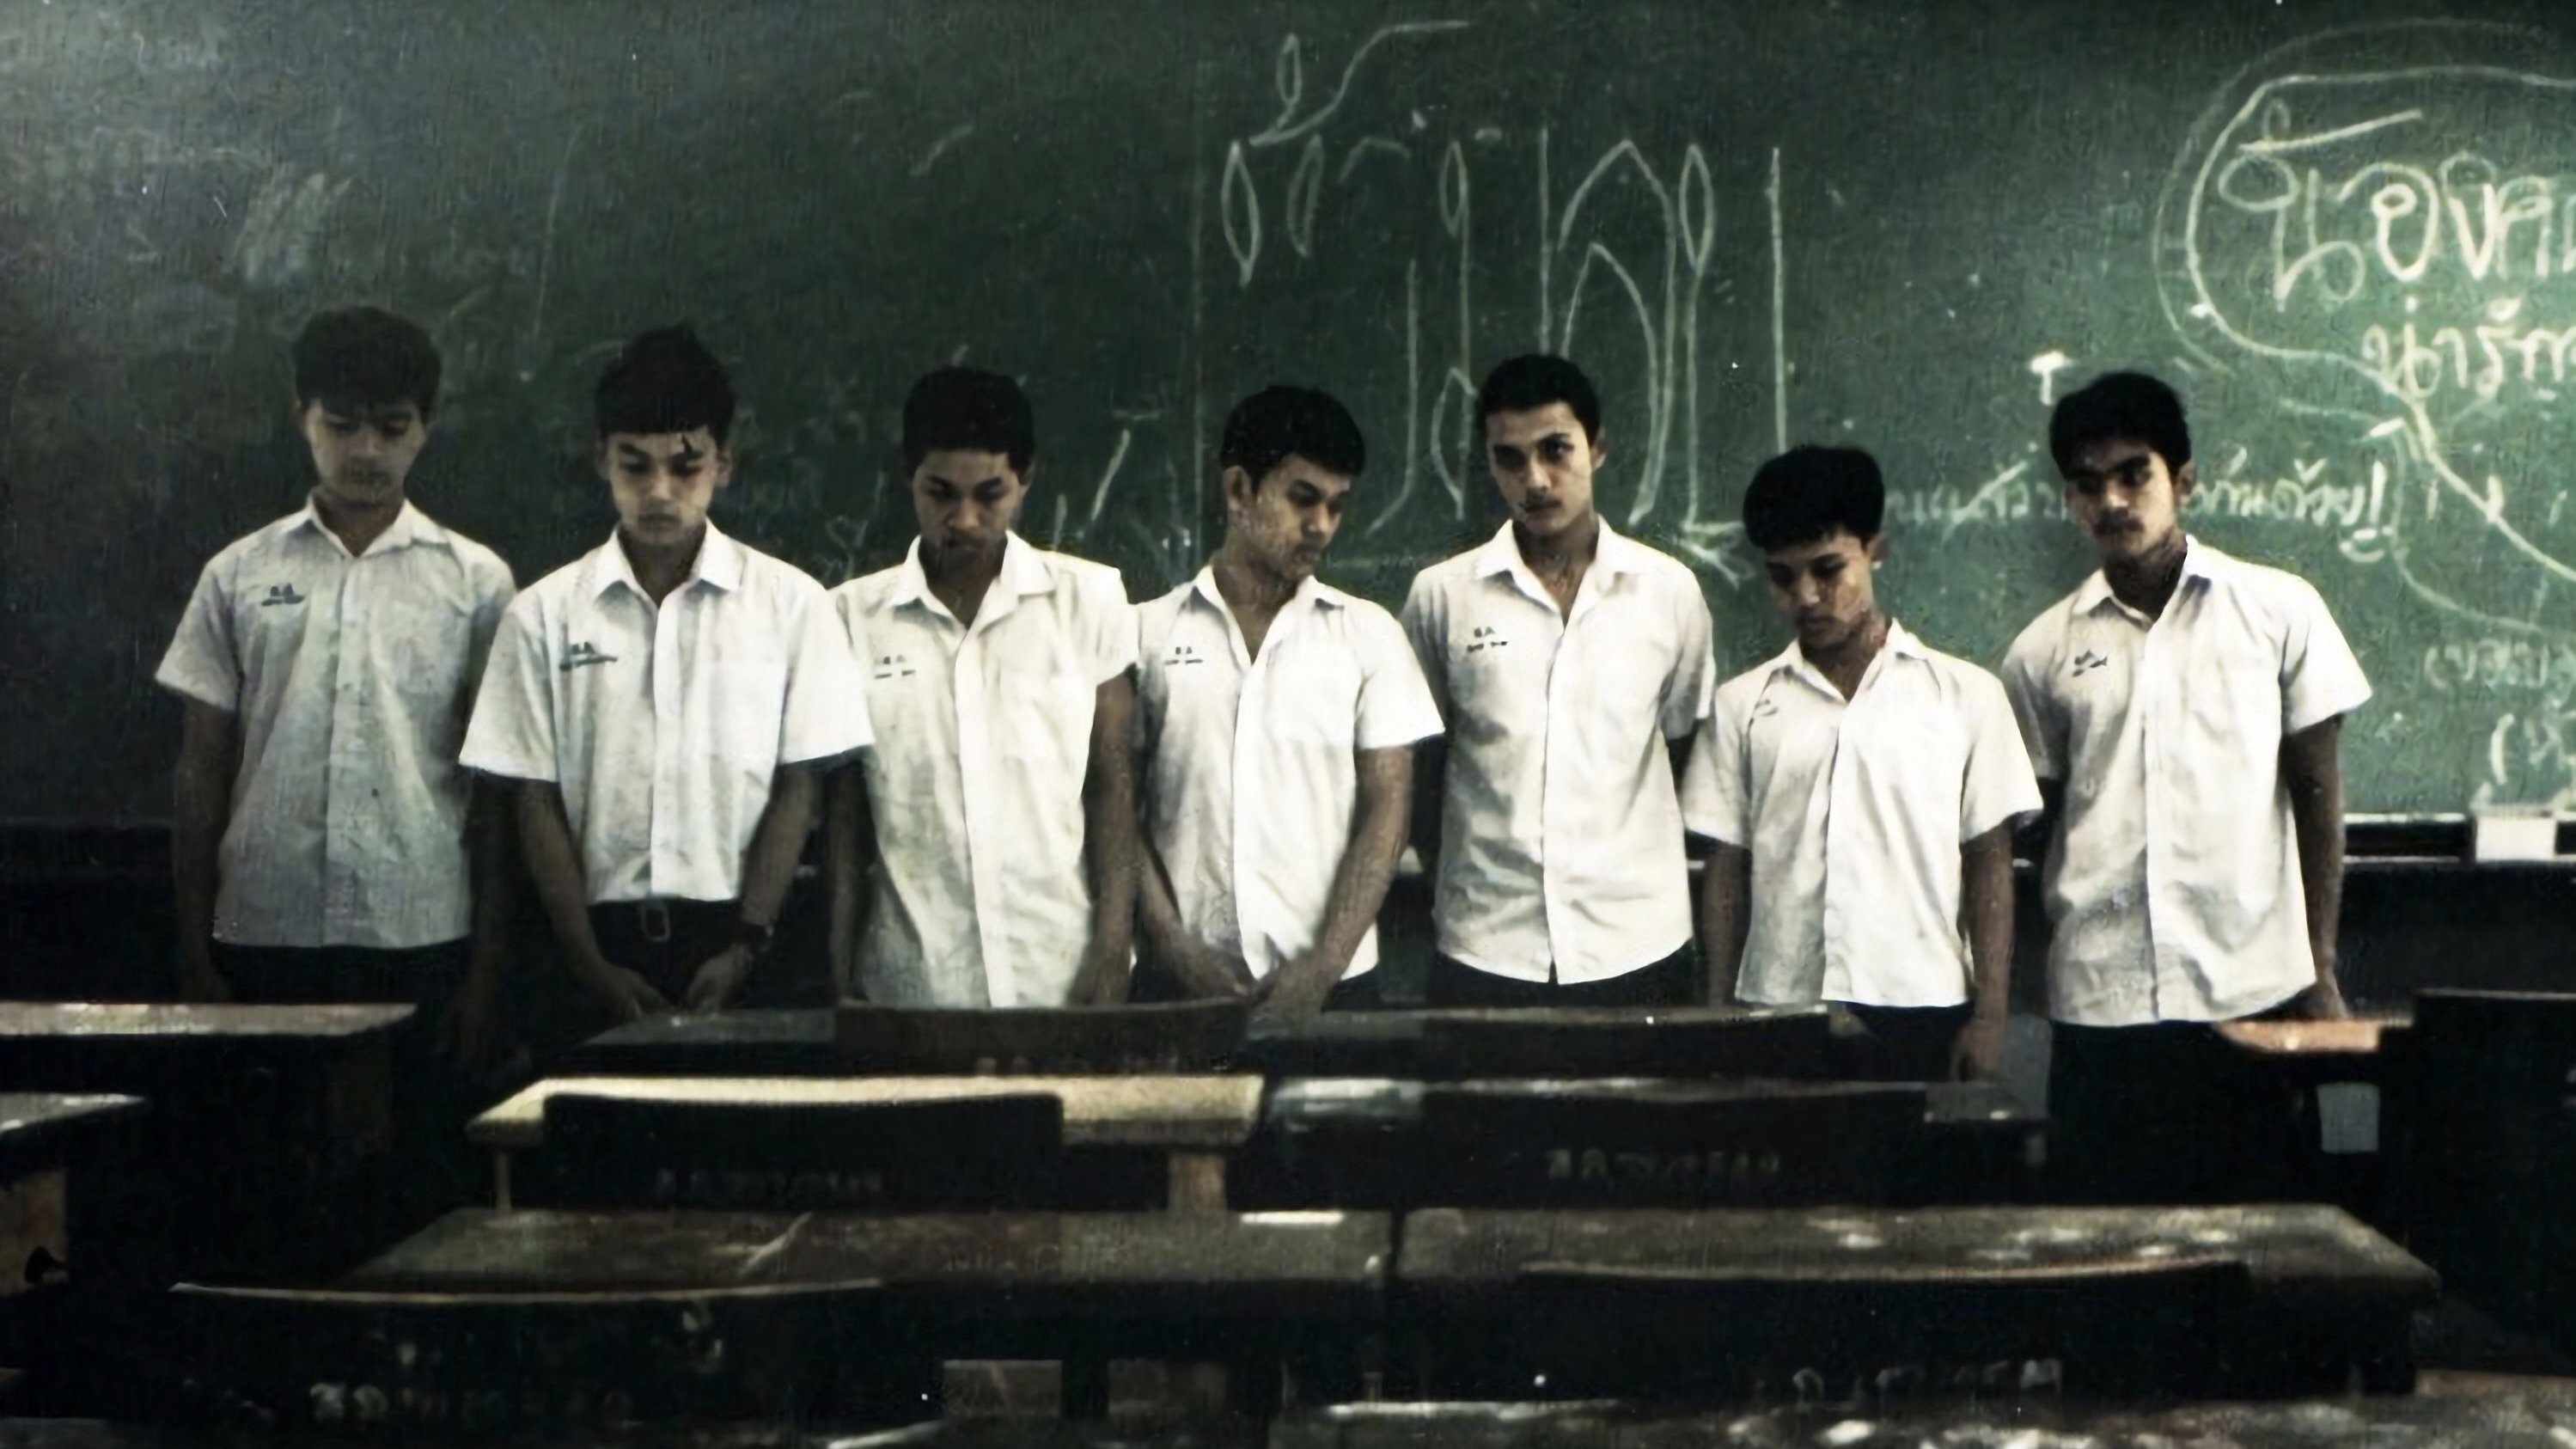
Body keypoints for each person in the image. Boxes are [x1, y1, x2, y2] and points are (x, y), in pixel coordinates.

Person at [2001, 370, 2372, 1198]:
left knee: (2268, 1237)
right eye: (2088, 484)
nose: (2112, 500)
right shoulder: (2039, 653)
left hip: (2249, 992)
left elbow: (2318, 799)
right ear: (2069, 501)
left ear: (2185, 480)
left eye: (2134, 474)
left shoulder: (2278, 612)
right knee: (2107, 1244)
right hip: (2103, 1005)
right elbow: (2041, 829)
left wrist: (2319, 968)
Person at [461, 327, 869, 1038]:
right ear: (602, 460)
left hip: (747, 934)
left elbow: (798, 786)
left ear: (724, 464)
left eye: (685, 468)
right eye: (635, 466)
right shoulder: (542, 615)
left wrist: (746, 944)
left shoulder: (792, 605)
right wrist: (588, 961)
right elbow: (534, 799)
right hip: (589, 941)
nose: (658, 492)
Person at [156, 305, 516, 1074]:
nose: (366, 451)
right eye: (342, 425)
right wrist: (192, 947)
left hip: (419, 924)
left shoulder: (477, 582)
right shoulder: (238, 574)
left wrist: (487, 973)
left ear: (426, 427)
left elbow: (495, 790)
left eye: (392, 428)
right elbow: (200, 771)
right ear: (303, 419)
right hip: (262, 924)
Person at [1685, 445, 2038, 1080]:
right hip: (1779, 1003)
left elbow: (1990, 861)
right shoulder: (1743, 707)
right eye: (1783, 578)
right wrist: (1716, 1013)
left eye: (1828, 570)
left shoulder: (1964, 696)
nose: (1806, 596)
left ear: (1875, 549)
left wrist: (1990, 1016)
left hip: (1922, 1004)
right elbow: (1726, 869)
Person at [1400, 354, 1716, 1006]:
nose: (1535, 479)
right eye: (1509, 459)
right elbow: (1421, 766)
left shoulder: (1668, 593)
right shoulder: (1442, 597)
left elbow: (1683, 747)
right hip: (1486, 945)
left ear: (1596, 448)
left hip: (1637, 942)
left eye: (1555, 450)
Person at [827, 367, 1139, 1007]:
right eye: (940, 494)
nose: (964, 519)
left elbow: (1112, 788)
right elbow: (845, 815)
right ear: (909, 478)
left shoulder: (1088, 600)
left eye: (989, 494)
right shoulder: (850, 618)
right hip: (915, 984)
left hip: (1060, 974)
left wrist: (1112, 947)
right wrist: (838, 966)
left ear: (1025, 479)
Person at [1133, 385, 1442, 1018]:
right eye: (1303, 498)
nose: (1321, 525)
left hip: (1335, 988)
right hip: (1180, 989)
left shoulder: (1368, 636)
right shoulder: (1145, 634)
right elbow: (1116, 810)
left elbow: (1388, 810)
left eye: (1336, 505)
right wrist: (1171, 945)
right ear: (1239, 489)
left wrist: (1325, 963)